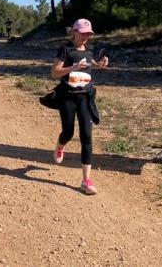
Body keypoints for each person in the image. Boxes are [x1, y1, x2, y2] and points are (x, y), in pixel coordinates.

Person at [50, 18, 108, 195]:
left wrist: (100, 65)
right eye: (83, 33)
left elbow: (90, 65)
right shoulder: (65, 49)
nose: (85, 37)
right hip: (67, 97)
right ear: (74, 32)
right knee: (68, 132)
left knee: (87, 136)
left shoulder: (90, 50)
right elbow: (54, 73)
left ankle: (86, 180)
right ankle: (61, 144)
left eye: (88, 34)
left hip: (85, 97)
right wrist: (73, 67)